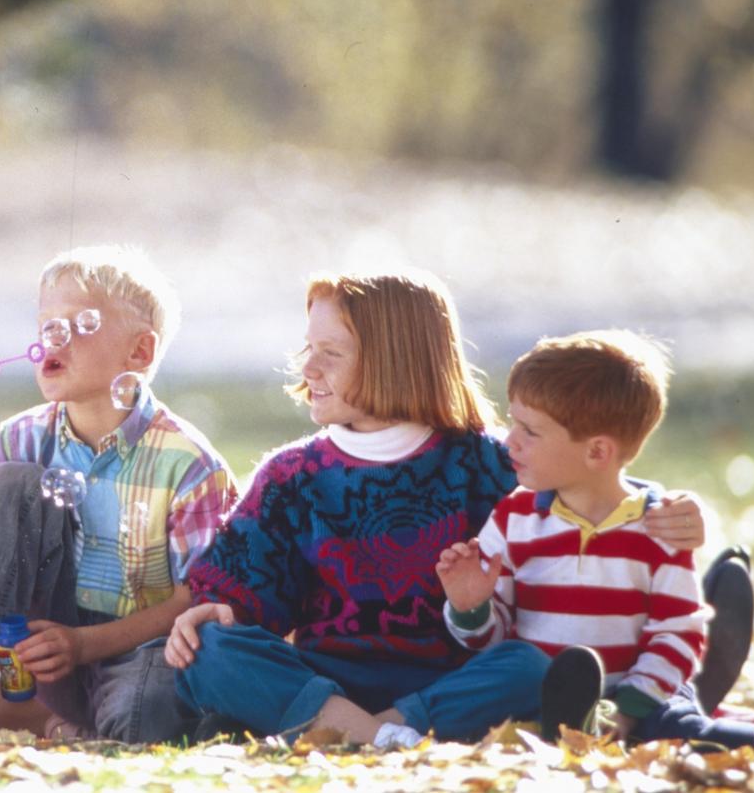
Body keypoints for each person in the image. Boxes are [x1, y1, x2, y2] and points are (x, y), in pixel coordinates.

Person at [164, 270, 708, 748]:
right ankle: (376, 736)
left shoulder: (489, 462)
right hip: (327, 681)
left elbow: (590, 485)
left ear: (396, 360)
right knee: (208, 650)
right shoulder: (292, 476)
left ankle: (347, 735)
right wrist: (214, 608)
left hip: (457, 682)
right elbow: (241, 591)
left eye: (330, 353)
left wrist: (669, 506)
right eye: (307, 349)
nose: (308, 368)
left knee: (531, 665)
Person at [0, 244, 238, 744]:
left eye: (79, 325)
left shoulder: (188, 463)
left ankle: (80, 728)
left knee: (146, 718)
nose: (54, 338)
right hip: (45, 660)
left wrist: (85, 643)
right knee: (9, 480)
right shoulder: (24, 439)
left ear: (139, 352)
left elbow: (195, 596)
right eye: (48, 324)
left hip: (141, 652)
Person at [437, 330, 754, 749]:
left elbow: (677, 631)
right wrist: (471, 608)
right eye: (513, 422)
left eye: (530, 431)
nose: (510, 441)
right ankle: (579, 725)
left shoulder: (659, 527)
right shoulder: (514, 518)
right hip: (543, 698)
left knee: (689, 733)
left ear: (597, 452)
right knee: (534, 726)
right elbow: (495, 641)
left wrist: (631, 709)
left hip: (644, 698)